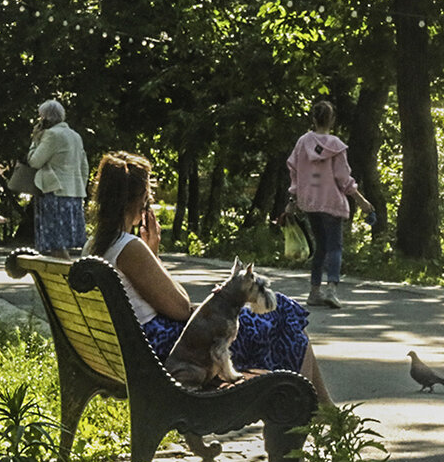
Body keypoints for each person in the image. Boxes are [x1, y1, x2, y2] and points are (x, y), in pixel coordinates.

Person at [84, 151, 333, 405]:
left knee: (277, 316)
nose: (149, 201)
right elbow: (181, 308)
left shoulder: (95, 245)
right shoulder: (129, 248)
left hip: (134, 347)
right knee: (280, 314)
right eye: (147, 195)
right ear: (136, 200)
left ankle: (314, 410)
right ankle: (310, 412)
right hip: (166, 350)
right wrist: (154, 255)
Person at [286, 100, 374, 308]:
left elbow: (295, 172)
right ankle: (331, 290)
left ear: (314, 119)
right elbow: (344, 179)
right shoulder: (336, 146)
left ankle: (314, 291)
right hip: (331, 202)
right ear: (332, 120)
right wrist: (361, 201)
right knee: (335, 247)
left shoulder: (302, 143)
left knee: (321, 247)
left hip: (310, 202)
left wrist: (292, 199)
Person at [27, 100, 89, 258]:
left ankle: (67, 278)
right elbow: (84, 167)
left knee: (56, 246)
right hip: (74, 192)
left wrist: (35, 140)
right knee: (63, 245)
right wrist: (80, 185)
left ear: (45, 117)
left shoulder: (52, 135)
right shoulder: (75, 136)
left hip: (54, 192)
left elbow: (34, 161)